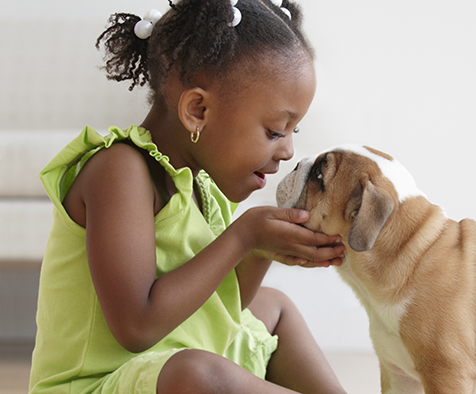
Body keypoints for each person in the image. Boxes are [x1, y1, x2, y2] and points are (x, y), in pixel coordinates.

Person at [28, 0, 348, 393]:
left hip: (168, 360)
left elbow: (217, 308)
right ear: (197, 110)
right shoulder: (120, 171)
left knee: (275, 307)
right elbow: (137, 325)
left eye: (292, 132)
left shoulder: (202, 186)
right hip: (97, 383)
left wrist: (261, 252)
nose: (286, 152)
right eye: (274, 131)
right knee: (195, 373)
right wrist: (243, 237)